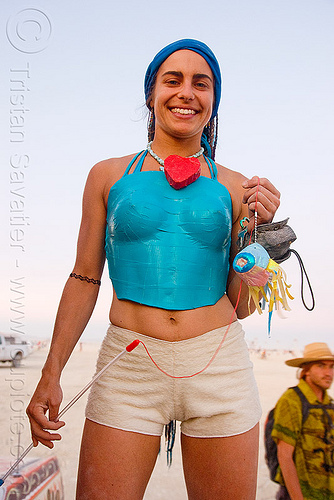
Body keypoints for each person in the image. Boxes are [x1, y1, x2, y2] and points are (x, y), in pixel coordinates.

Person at [26, 39, 281, 499]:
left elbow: (240, 306)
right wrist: (51, 372)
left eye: (201, 84)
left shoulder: (238, 186)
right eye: (173, 80)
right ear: (151, 94)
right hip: (129, 369)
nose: (187, 92)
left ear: (213, 101)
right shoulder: (107, 175)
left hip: (219, 365)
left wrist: (257, 236)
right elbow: (85, 277)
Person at [272, 342, 334, 500]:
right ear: (306, 370)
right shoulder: (292, 400)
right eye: (321, 366)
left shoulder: (329, 404)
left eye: (331, 366)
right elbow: (284, 456)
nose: (328, 373)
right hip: (300, 494)